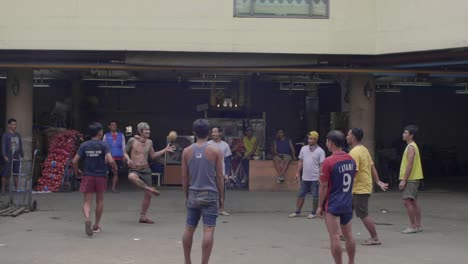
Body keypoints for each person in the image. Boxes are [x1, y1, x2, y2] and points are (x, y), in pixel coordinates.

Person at [182, 119, 224, 264]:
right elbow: (219, 176)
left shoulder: (186, 151)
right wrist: (221, 197)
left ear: (194, 133)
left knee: (189, 228)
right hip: (210, 193)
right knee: (208, 230)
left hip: (193, 193)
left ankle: (187, 261)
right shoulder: (215, 151)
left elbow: (184, 177)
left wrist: (187, 195)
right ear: (209, 133)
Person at [316, 130, 357, 264]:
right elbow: (353, 176)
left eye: (327, 141)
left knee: (335, 237)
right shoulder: (351, 159)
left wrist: (319, 206)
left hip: (333, 203)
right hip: (347, 202)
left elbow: (323, 186)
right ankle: (351, 261)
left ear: (331, 142)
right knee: (349, 235)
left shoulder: (329, 161)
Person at [123, 122, 175, 224]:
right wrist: (128, 159)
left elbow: (153, 155)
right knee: (132, 177)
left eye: (149, 129)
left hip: (146, 170)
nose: (148, 131)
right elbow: (124, 152)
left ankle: (143, 216)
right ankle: (149, 188)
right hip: (135, 169)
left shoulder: (149, 142)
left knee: (148, 195)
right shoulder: (132, 140)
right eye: (146, 130)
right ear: (140, 131)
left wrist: (165, 150)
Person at [72, 122, 117, 237]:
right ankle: (96, 225)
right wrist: (115, 169)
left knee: (87, 201)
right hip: (101, 176)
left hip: (88, 175)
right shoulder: (104, 145)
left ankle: (87, 218)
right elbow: (111, 160)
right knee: (100, 201)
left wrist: (77, 170)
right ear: (100, 133)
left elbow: (74, 161)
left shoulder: (84, 145)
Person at [346, 128, 388, 245]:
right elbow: (372, 166)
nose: (346, 136)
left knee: (363, 213)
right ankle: (344, 234)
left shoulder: (354, 152)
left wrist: (345, 185)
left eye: (348, 134)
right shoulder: (364, 149)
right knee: (346, 211)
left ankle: (374, 237)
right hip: (361, 186)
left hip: (359, 188)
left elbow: (354, 172)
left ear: (353, 137)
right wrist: (377, 181)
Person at [289, 131, 325, 219]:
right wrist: (298, 172)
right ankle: (297, 211)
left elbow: (322, 165)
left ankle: (313, 212)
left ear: (316, 139)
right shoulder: (303, 149)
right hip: (305, 177)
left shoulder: (320, 151)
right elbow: (300, 161)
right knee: (301, 194)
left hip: (315, 177)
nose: (309, 140)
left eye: (311, 139)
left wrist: (321, 176)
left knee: (315, 195)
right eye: (309, 138)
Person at [399, 125, 424, 234]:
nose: (403, 134)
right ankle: (417, 225)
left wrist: (404, 179)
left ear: (411, 135)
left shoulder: (411, 147)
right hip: (414, 177)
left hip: (411, 178)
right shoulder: (412, 146)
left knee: (406, 201)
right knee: (413, 201)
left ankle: (413, 225)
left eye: (405, 133)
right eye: (403, 132)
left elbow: (410, 164)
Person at [208, 126, 232, 216]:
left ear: (220, 133)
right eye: (212, 132)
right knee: (209, 191)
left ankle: (221, 209)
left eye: (215, 132)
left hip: (221, 173)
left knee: (221, 192)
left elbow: (228, 161)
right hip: (209, 172)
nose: (213, 134)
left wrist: (227, 173)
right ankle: (210, 209)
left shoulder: (225, 145)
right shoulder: (208, 144)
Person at [1, 118, 23, 194]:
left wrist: (21, 155)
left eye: (15, 124)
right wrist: (4, 156)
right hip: (8, 157)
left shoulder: (18, 135)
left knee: (16, 173)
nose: (15, 126)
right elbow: (3, 146)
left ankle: (17, 189)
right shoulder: (5, 135)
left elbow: (20, 146)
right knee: (5, 173)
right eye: (13, 124)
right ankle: (3, 189)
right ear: (9, 125)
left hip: (16, 157)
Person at [103, 120, 126, 192]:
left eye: (115, 125)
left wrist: (124, 156)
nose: (114, 126)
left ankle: (113, 188)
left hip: (119, 157)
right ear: (109, 126)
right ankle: (104, 188)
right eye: (112, 125)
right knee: (106, 173)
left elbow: (124, 146)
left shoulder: (121, 135)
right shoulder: (106, 135)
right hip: (109, 157)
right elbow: (104, 147)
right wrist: (105, 157)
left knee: (116, 173)